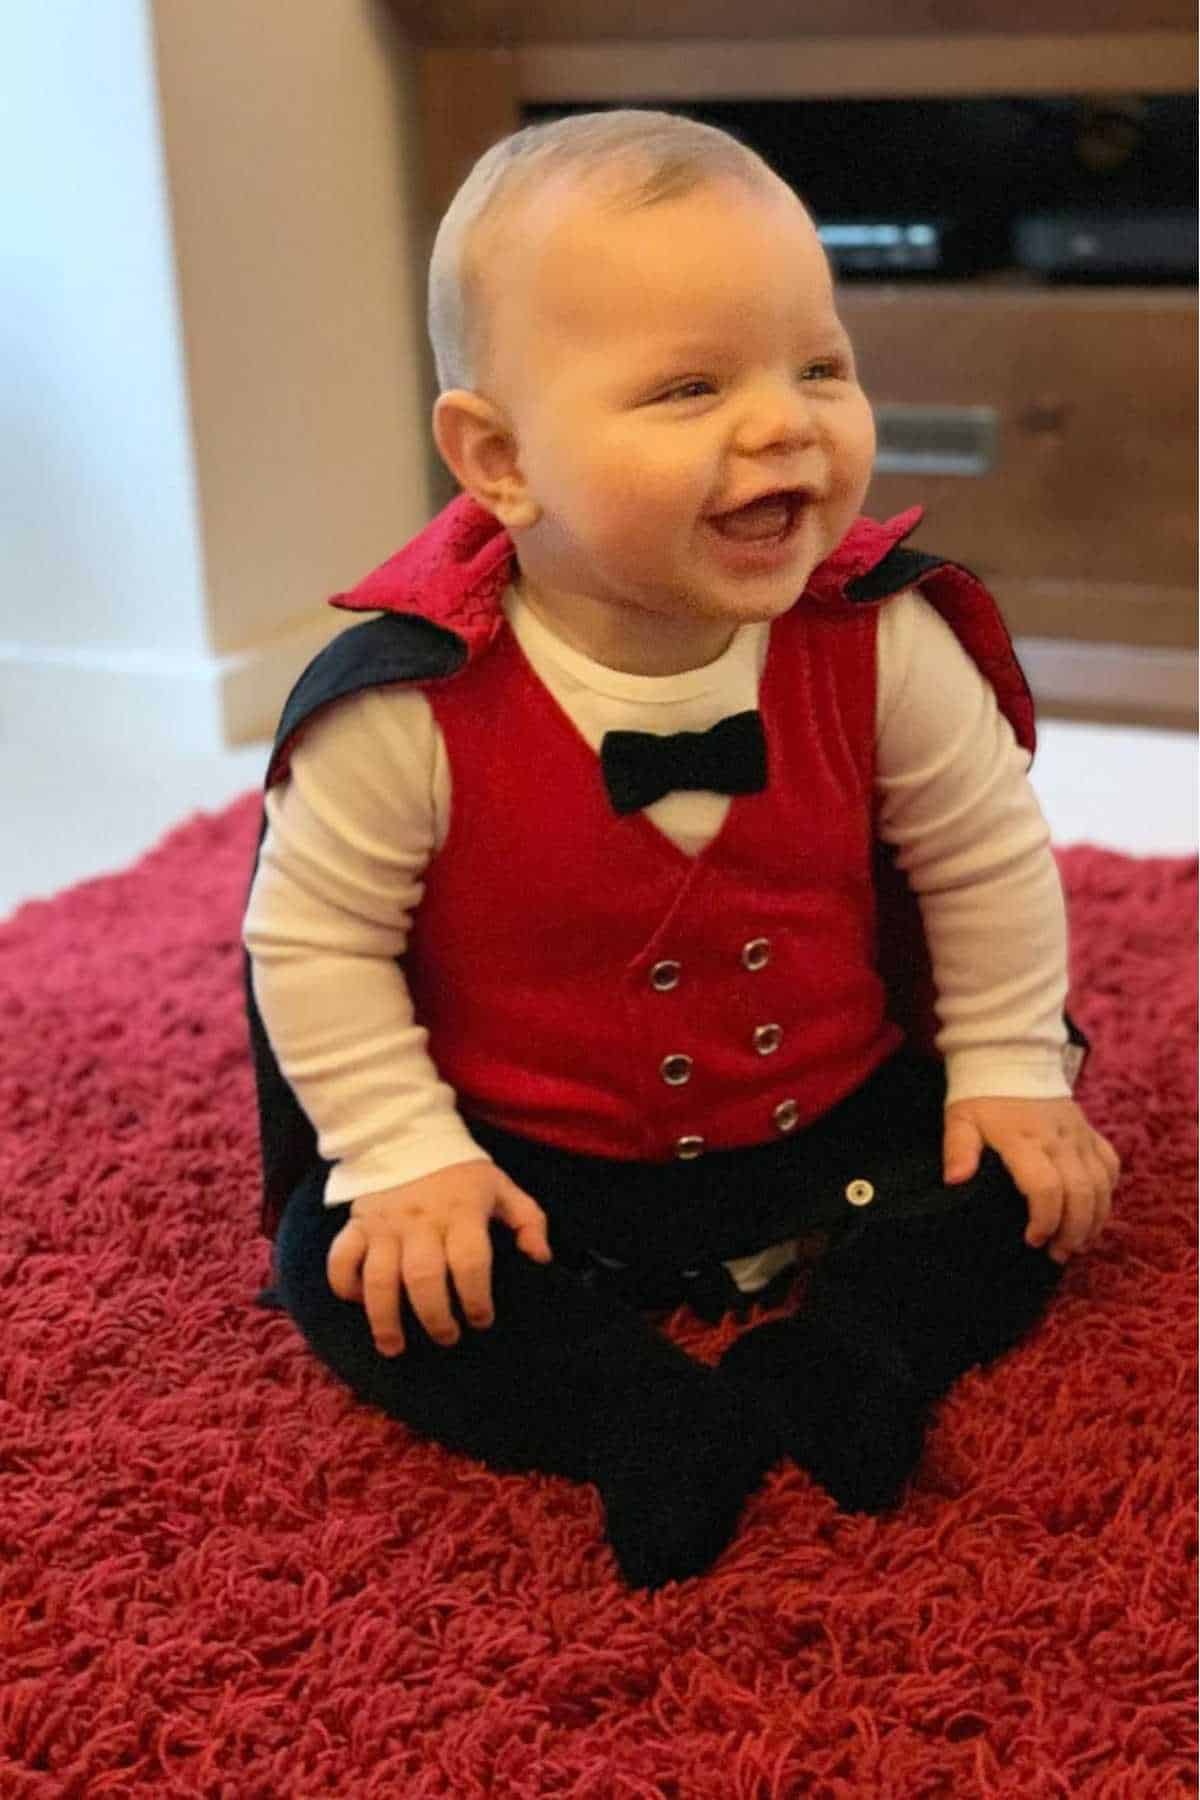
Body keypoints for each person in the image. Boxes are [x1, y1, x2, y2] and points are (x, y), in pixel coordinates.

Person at [242, 109, 1120, 1591]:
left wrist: (1009, 1068)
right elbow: (312, 944)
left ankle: (853, 1357)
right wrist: (407, 1157)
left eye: (820, 367)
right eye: (690, 386)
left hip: (834, 1116)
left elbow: (981, 857)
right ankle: (628, 1410)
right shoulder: (405, 709)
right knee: (349, 1268)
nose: (784, 425)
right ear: (500, 459)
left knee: (1031, 1181)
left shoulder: (884, 641)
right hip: (532, 1157)